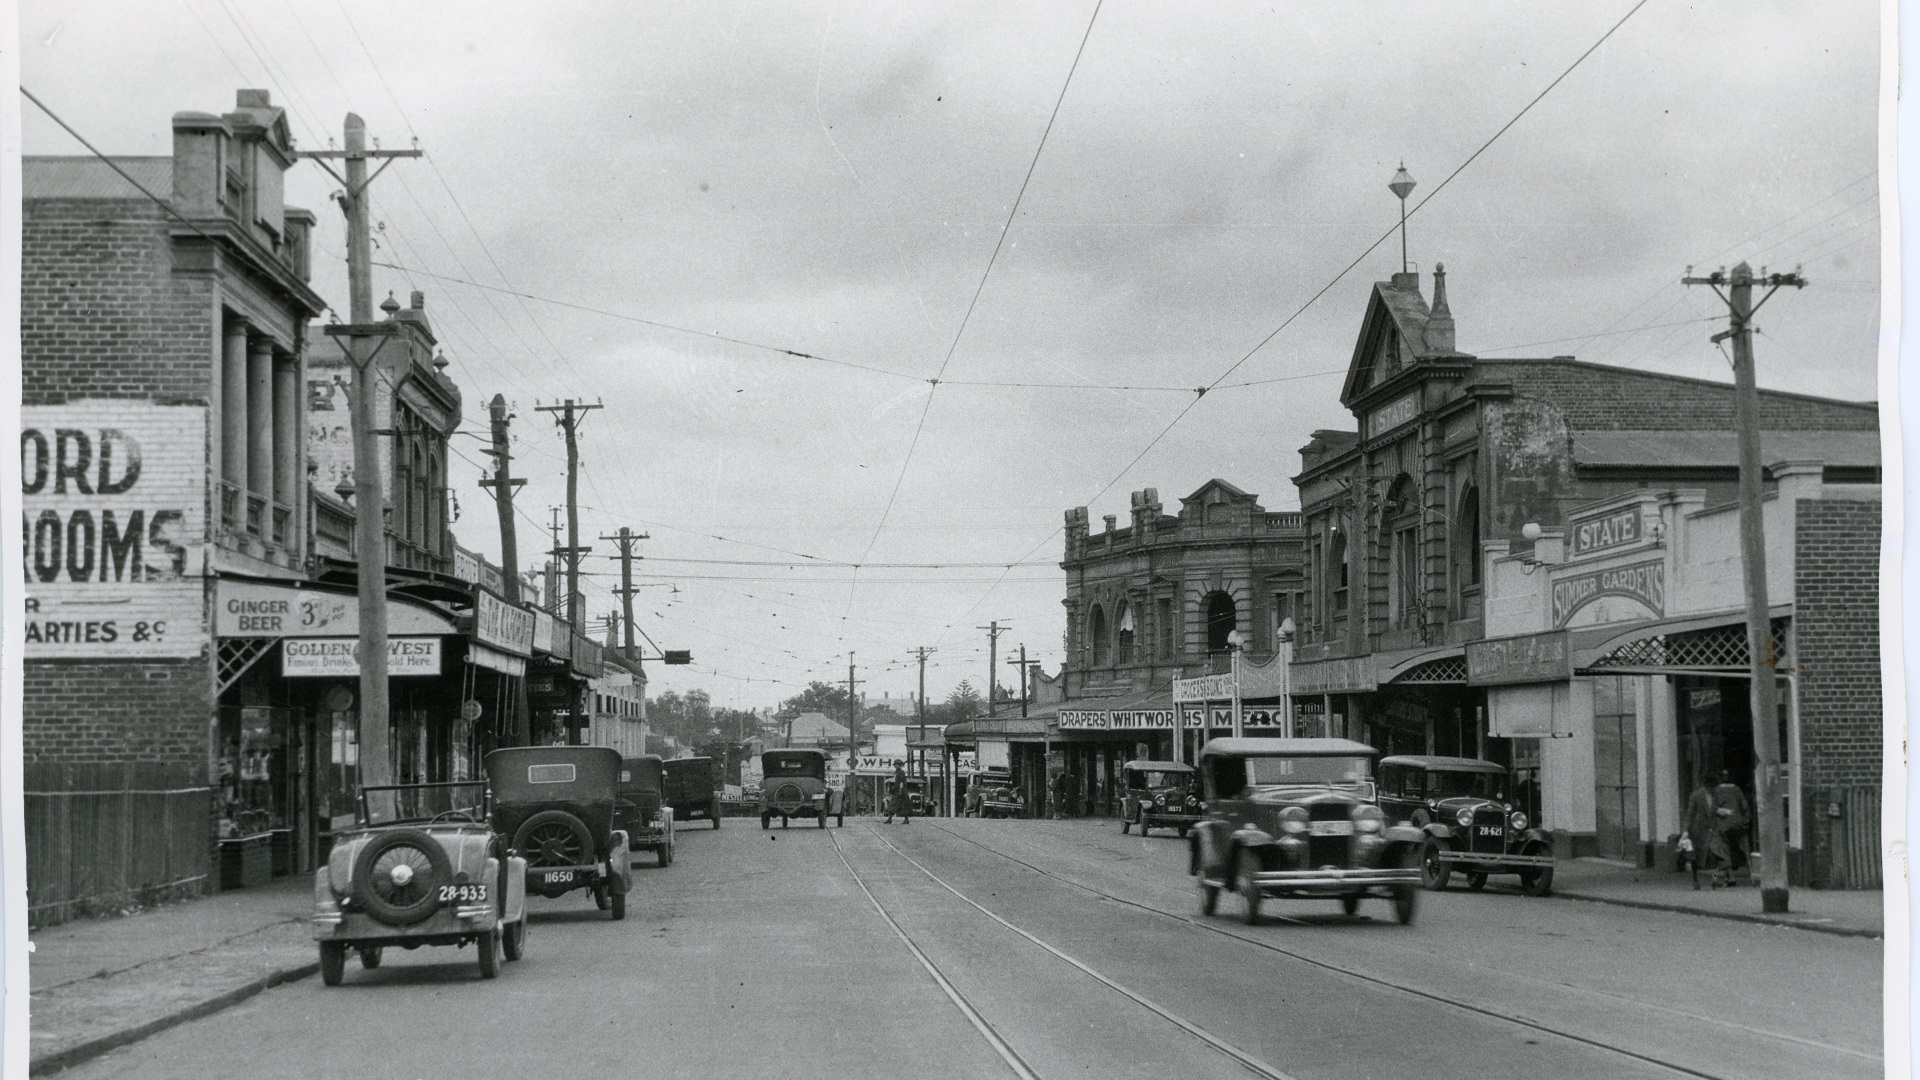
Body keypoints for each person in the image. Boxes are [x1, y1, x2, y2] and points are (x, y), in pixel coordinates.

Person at [1683, 775, 1730, 889]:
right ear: (1705, 786)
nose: (1712, 789)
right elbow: (1690, 814)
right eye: (1710, 787)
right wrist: (1685, 830)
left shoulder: (1717, 795)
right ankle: (1695, 879)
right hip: (1699, 830)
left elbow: (1718, 809)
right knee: (1696, 857)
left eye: (1714, 787)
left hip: (1713, 829)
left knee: (1719, 854)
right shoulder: (1696, 796)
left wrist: (1722, 813)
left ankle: (1715, 877)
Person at [1713, 770, 1752, 881]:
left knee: (1721, 846)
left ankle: (1729, 877)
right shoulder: (1737, 790)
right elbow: (1745, 807)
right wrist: (1745, 821)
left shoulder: (1716, 791)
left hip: (1724, 825)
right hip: (1738, 825)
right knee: (1742, 844)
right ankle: (1750, 870)